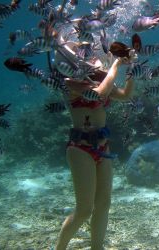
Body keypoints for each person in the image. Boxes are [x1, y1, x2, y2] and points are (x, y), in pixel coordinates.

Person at [54, 42, 135, 250]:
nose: (90, 55)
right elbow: (99, 94)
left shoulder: (98, 78)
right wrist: (116, 63)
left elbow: (125, 95)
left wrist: (132, 69)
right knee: (83, 210)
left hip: (102, 147)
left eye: (91, 51)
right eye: (84, 51)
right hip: (80, 148)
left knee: (104, 204)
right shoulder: (69, 82)